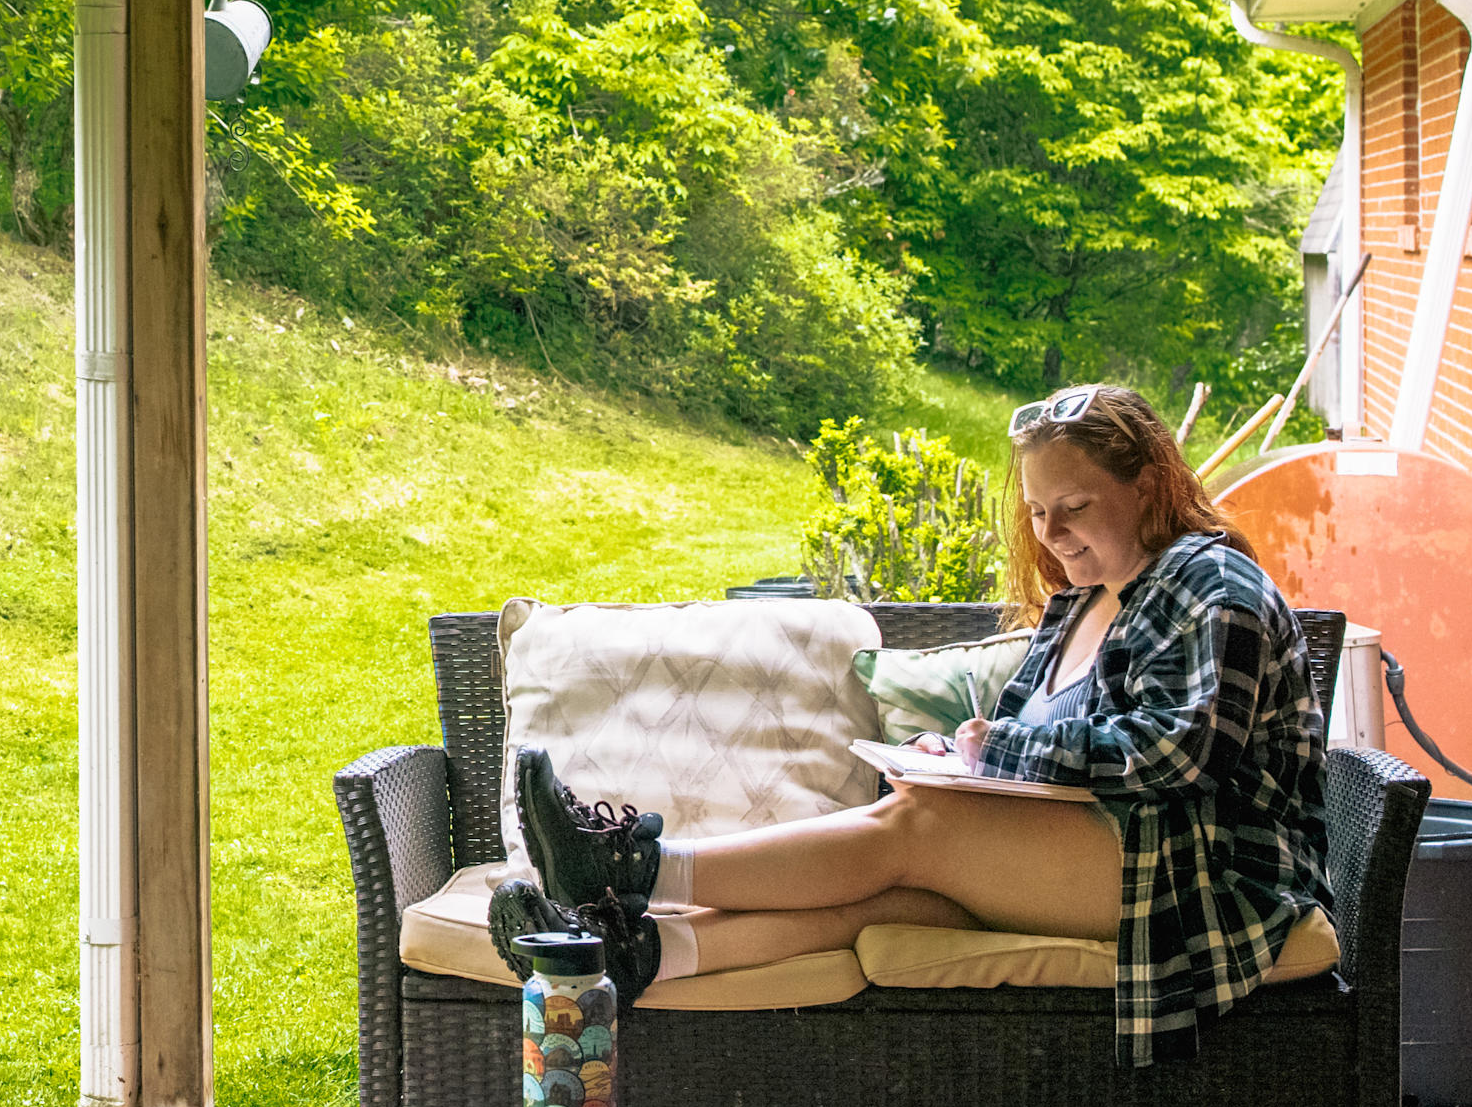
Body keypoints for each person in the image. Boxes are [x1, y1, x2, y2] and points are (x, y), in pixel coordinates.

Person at [502, 383, 1327, 1062]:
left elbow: (1183, 753)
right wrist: (958, 753)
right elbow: (1024, 743)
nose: (1052, 533)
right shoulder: (1081, 603)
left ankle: (626, 866)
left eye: (1074, 506)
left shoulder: (1211, 584)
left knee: (917, 826)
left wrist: (994, 752)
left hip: (1206, 875)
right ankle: (630, 952)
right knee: (893, 899)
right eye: (1039, 512)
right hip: (1116, 854)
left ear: (1147, 486)